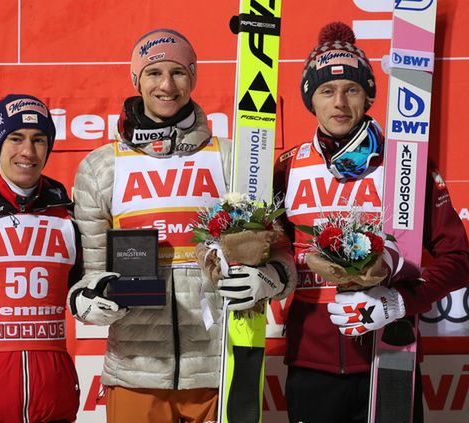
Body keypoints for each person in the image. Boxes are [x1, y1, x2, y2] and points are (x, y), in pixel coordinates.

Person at [66, 28, 297, 423]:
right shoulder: (102, 166)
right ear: (136, 78)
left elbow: (279, 252)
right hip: (135, 369)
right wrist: (86, 302)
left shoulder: (231, 158)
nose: (167, 85)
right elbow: (89, 273)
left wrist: (271, 280)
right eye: (154, 73)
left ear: (193, 76)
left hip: (219, 364)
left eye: (179, 72)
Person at [274, 22, 469, 423]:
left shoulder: (405, 165)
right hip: (311, 366)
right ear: (311, 100)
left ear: (369, 96)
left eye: (352, 89)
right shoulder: (288, 167)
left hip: (392, 355)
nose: (340, 102)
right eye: (327, 91)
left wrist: (402, 300)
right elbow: (272, 249)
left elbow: (459, 259)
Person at [0, 94, 81, 422]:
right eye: (15, 138)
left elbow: (91, 294)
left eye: (39, 140)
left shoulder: (68, 215)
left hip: (53, 403)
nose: (28, 152)